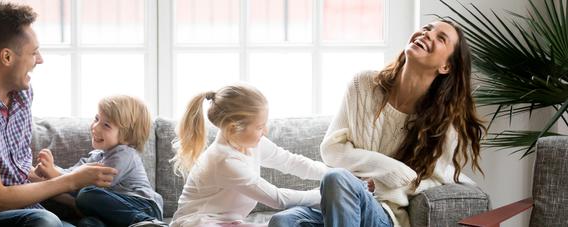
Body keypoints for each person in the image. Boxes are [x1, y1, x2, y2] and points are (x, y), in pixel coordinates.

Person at [268, 20, 486, 227]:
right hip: (341, 203)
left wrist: (380, 183)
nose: (427, 33)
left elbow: (431, 180)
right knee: (283, 221)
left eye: (441, 38)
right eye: (427, 28)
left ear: (446, 67)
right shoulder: (363, 85)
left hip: (385, 215)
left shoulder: (445, 122)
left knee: (337, 178)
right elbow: (331, 150)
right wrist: (388, 169)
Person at [0, 2, 116, 226]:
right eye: (34, 52)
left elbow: (20, 170)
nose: (40, 59)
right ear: (7, 57)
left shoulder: (21, 95)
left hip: (27, 206)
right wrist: (72, 180)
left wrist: (74, 198)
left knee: (97, 218)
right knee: (44, 221)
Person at [169, 84, 331, 227]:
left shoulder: (254, 144)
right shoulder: (225, 161)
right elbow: (277, 199)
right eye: (260, 127)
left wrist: (333, 172)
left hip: (228, 221)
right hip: (198, 223)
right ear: (233, 129)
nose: (265, 131)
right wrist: (324, 195)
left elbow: (290, 162)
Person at [35, 95, 167, 227]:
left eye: (106, 125)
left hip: (144, 207)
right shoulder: (96, 156)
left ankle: (148, 223)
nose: (95, 127)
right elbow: (71, 174)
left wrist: (53, 174)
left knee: (87, 195)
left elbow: (80, 183)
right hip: (113, 212)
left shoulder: (124, 154)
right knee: (88, 223)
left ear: (127, 136)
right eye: (97, 119)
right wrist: (49, 168)